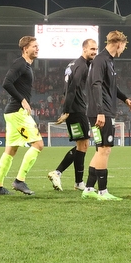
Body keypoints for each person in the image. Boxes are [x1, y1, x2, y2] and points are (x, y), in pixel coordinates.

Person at [81, 30, 131, 200]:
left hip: (101, 111)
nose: (123, 49)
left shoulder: (107, 61)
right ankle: (103, 191)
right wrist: (100, 112)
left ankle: (89, 189)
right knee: (105, 150)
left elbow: (109, 87)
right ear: (119, 43)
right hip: (101, 112)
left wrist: (125, 98)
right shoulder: (101, 60)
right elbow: (96, 85)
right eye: (124, 46)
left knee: (99, 150)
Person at [0, 35, 43, 196]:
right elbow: (6, 82)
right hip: (17, 112)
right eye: (34, 46)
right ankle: (19, 180)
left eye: (37, 46)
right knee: (38, 144)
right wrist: (22, 100)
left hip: (12, 112)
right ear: (25, 48)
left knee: (11, 150)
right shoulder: (20, 64)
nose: (37, 48)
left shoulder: (27, 66)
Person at [48, 39, 97, 191]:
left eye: (96, 49)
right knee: (83, 144)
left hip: (74, 109)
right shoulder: (82, 66)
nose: (94, 52)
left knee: (82, 145)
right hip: (77, 109)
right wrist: (67, 111)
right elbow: (72, 89)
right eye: (92, 49)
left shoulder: (72, 64)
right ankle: (59, 173)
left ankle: (77, 182)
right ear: (84, 49)